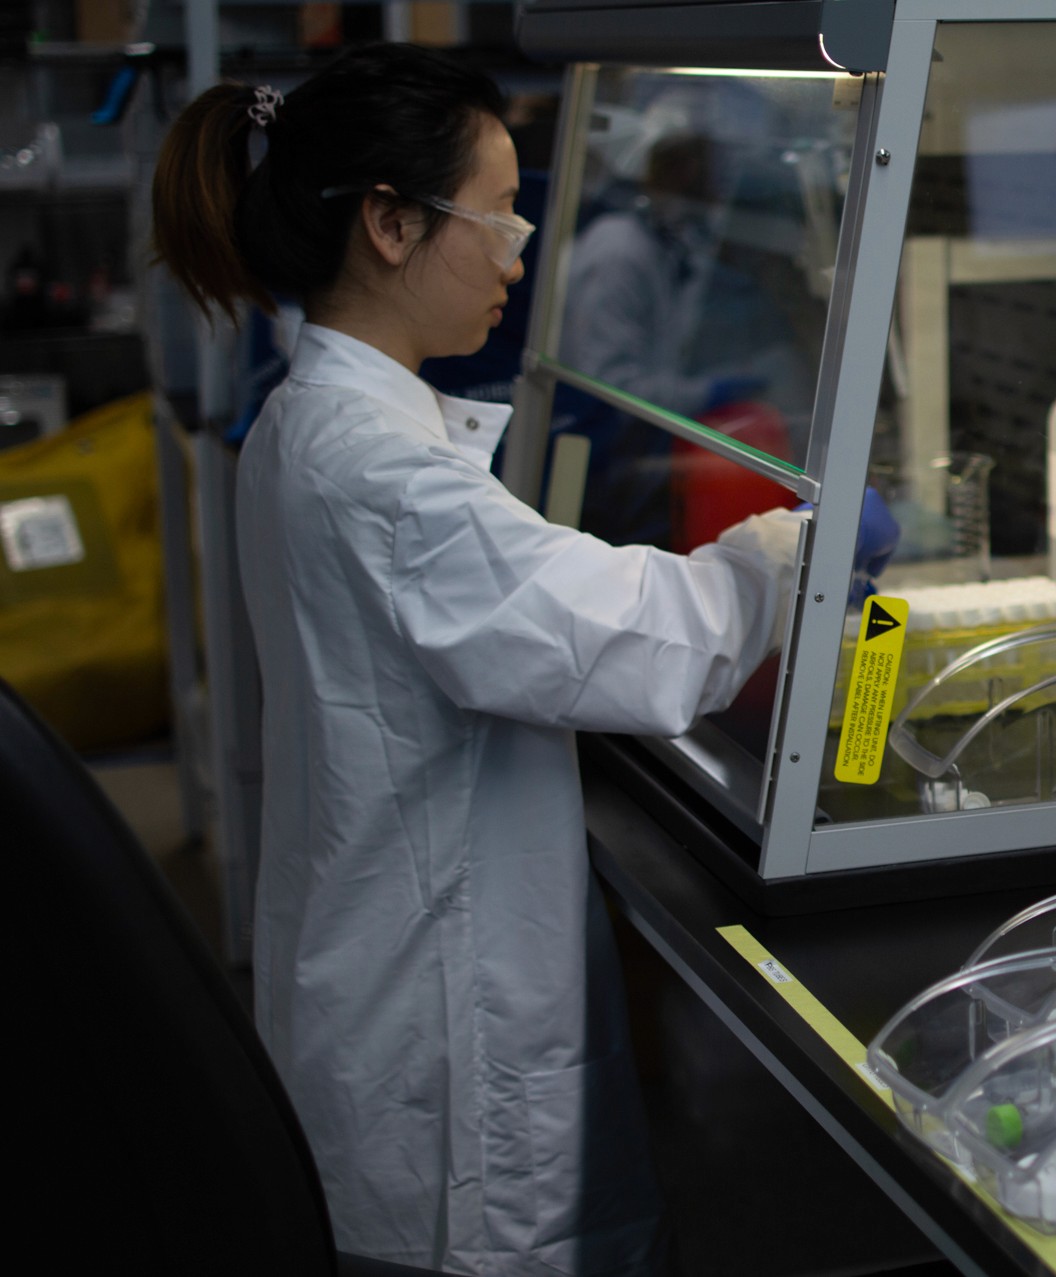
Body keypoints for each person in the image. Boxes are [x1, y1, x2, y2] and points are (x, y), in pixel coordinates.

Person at [149, 43, 855, 1275]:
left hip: (383, 958)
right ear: (388, 223)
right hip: (435, 1028)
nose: (521, 250)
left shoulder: (316, 421)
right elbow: (639, 638)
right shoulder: (376, 469)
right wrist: (799, 551)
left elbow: (505, 598)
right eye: (498, 213)